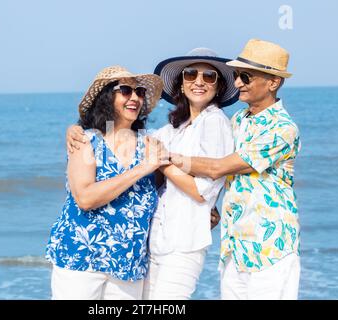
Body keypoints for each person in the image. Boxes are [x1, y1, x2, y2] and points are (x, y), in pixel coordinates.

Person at [66, 48, 239, 299]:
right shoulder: (174, 129)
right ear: (181, 83)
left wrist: (162, 164)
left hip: (184, 241)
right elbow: (130, 139)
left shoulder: (214, 121)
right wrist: (74, 129)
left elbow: (201, 190)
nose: (199, 81)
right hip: (154, 241)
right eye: (190, 74)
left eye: (209, 76)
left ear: (219, 86)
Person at [168, 39, 302, 300]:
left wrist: (167, 158)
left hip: (270, 247)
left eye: (246, 77)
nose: (238, 83)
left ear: (273, 82)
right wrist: (212, 206)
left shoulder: (283, 129)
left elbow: (218, 167)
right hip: (234, 247)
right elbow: (224, 174)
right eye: (237, 76)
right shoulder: (239, 120)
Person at [45, 66, 167, 300]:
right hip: (82, 259)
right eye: (125, 91)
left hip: (129, 265)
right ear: (107, 97)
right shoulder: (85, 140)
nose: (134, 98)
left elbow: (166, 193)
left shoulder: (151, 145)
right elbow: (86, 198)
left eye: (139, 92)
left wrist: (207, 210)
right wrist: (143, 168)